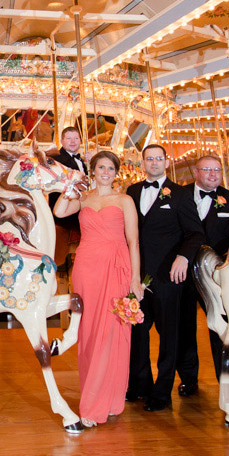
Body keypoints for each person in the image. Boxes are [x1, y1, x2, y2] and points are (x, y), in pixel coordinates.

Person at [54, 150, 143, 427]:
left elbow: (133, 242)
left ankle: (101, 403)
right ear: (93, 170)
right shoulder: (84, 198)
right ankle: (94, 395)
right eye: (101, 167)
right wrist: (71, 186)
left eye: (111, 168)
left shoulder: (125, 200)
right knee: (90, 332)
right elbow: (58, 211)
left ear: (116, 172)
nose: (106, 172)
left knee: (112, 331)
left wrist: (135, 280)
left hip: (116, 266)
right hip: (86, 266)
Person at [126, 143, 203, 411]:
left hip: (168, 276)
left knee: (169, 335)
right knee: (137, 331)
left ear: (166, 163)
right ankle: (139, 384)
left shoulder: (181, 194)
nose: (155, 163)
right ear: (143, 162)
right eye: (150, 159)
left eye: (159, 159)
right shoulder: (132, 192)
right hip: (137, 275)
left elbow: (195, 233)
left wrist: (183, 257)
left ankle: (162, 391)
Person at [177, 155, 229, 415]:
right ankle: (188, 379)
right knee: (183, 328)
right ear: (196, 172)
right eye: (207, 170)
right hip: (182, 270)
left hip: (215, 274)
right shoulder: (180, 194)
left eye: (217, 170)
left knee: (223, 331)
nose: (213, 174)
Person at [50, 126, 87, 270]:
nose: (73, 141)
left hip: (76, 207)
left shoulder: (81, 161)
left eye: (76, 138)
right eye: (69, 138)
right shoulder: (57, 158)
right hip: (64, 211)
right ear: (62, 141)